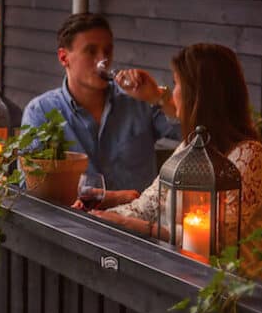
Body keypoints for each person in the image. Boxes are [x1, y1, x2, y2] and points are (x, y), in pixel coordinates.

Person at [94, 43, 262, 276]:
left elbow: (217, 239)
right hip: (187, 278)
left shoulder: (250, 156)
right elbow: (144, 207)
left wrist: (136, 226)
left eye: (177, 83)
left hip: (240, 296)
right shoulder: (187, 149)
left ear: (199, 95)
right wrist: (98, 218)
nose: (171, 92)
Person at [21, 12, 181, 194]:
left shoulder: (139, 100)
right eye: (91, 51)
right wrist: (110, 198)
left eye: (107, 51)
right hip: (72, 221)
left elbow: (192, 134)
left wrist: (158, 97)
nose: (102, 60)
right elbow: (29, 185)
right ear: (64, 58)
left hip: (136, 220)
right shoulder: (41, 111)